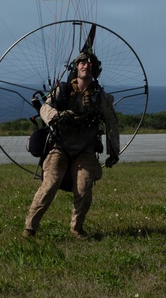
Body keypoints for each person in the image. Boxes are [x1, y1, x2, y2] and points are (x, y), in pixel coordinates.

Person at [23, 50, 120, 239]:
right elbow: (45, 108)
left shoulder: (100, 96)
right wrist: (55, 117)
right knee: (50, 184)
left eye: (90, 63)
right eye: (82, 63)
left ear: (95, 69)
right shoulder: (63, 90)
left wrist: (113, 151)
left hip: (85, 149)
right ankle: (30, 228)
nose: (86, 65)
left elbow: (111, 123)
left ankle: (77, 229)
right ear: (76, 67)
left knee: (84, 188)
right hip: (59, 146)